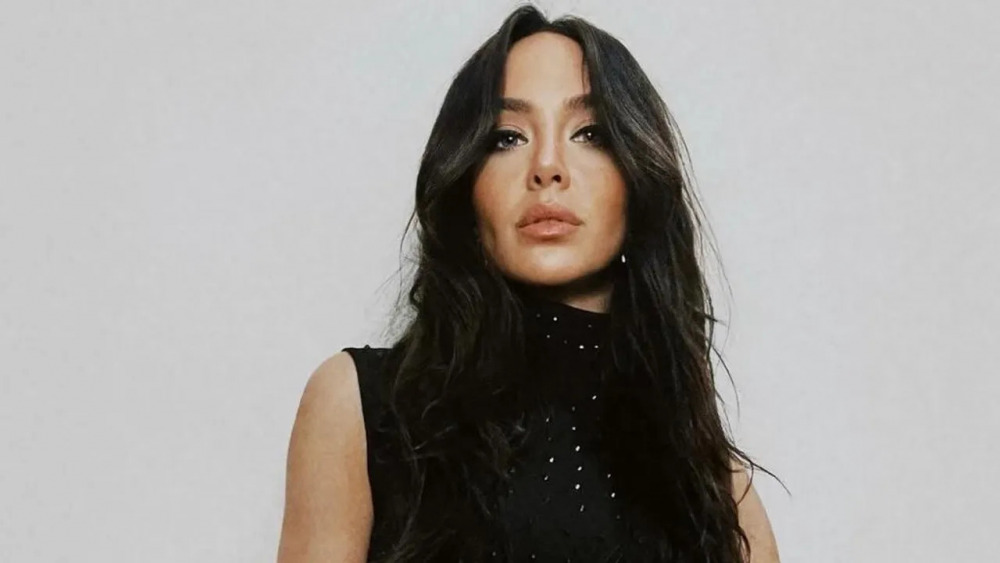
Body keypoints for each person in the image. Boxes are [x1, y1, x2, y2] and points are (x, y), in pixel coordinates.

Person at [278, 4, 781, 562]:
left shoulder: (709, 473)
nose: (547, 166)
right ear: (466, 185)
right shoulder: (361, 406)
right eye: (506, 137)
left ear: (638, 179)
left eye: (590, 133)